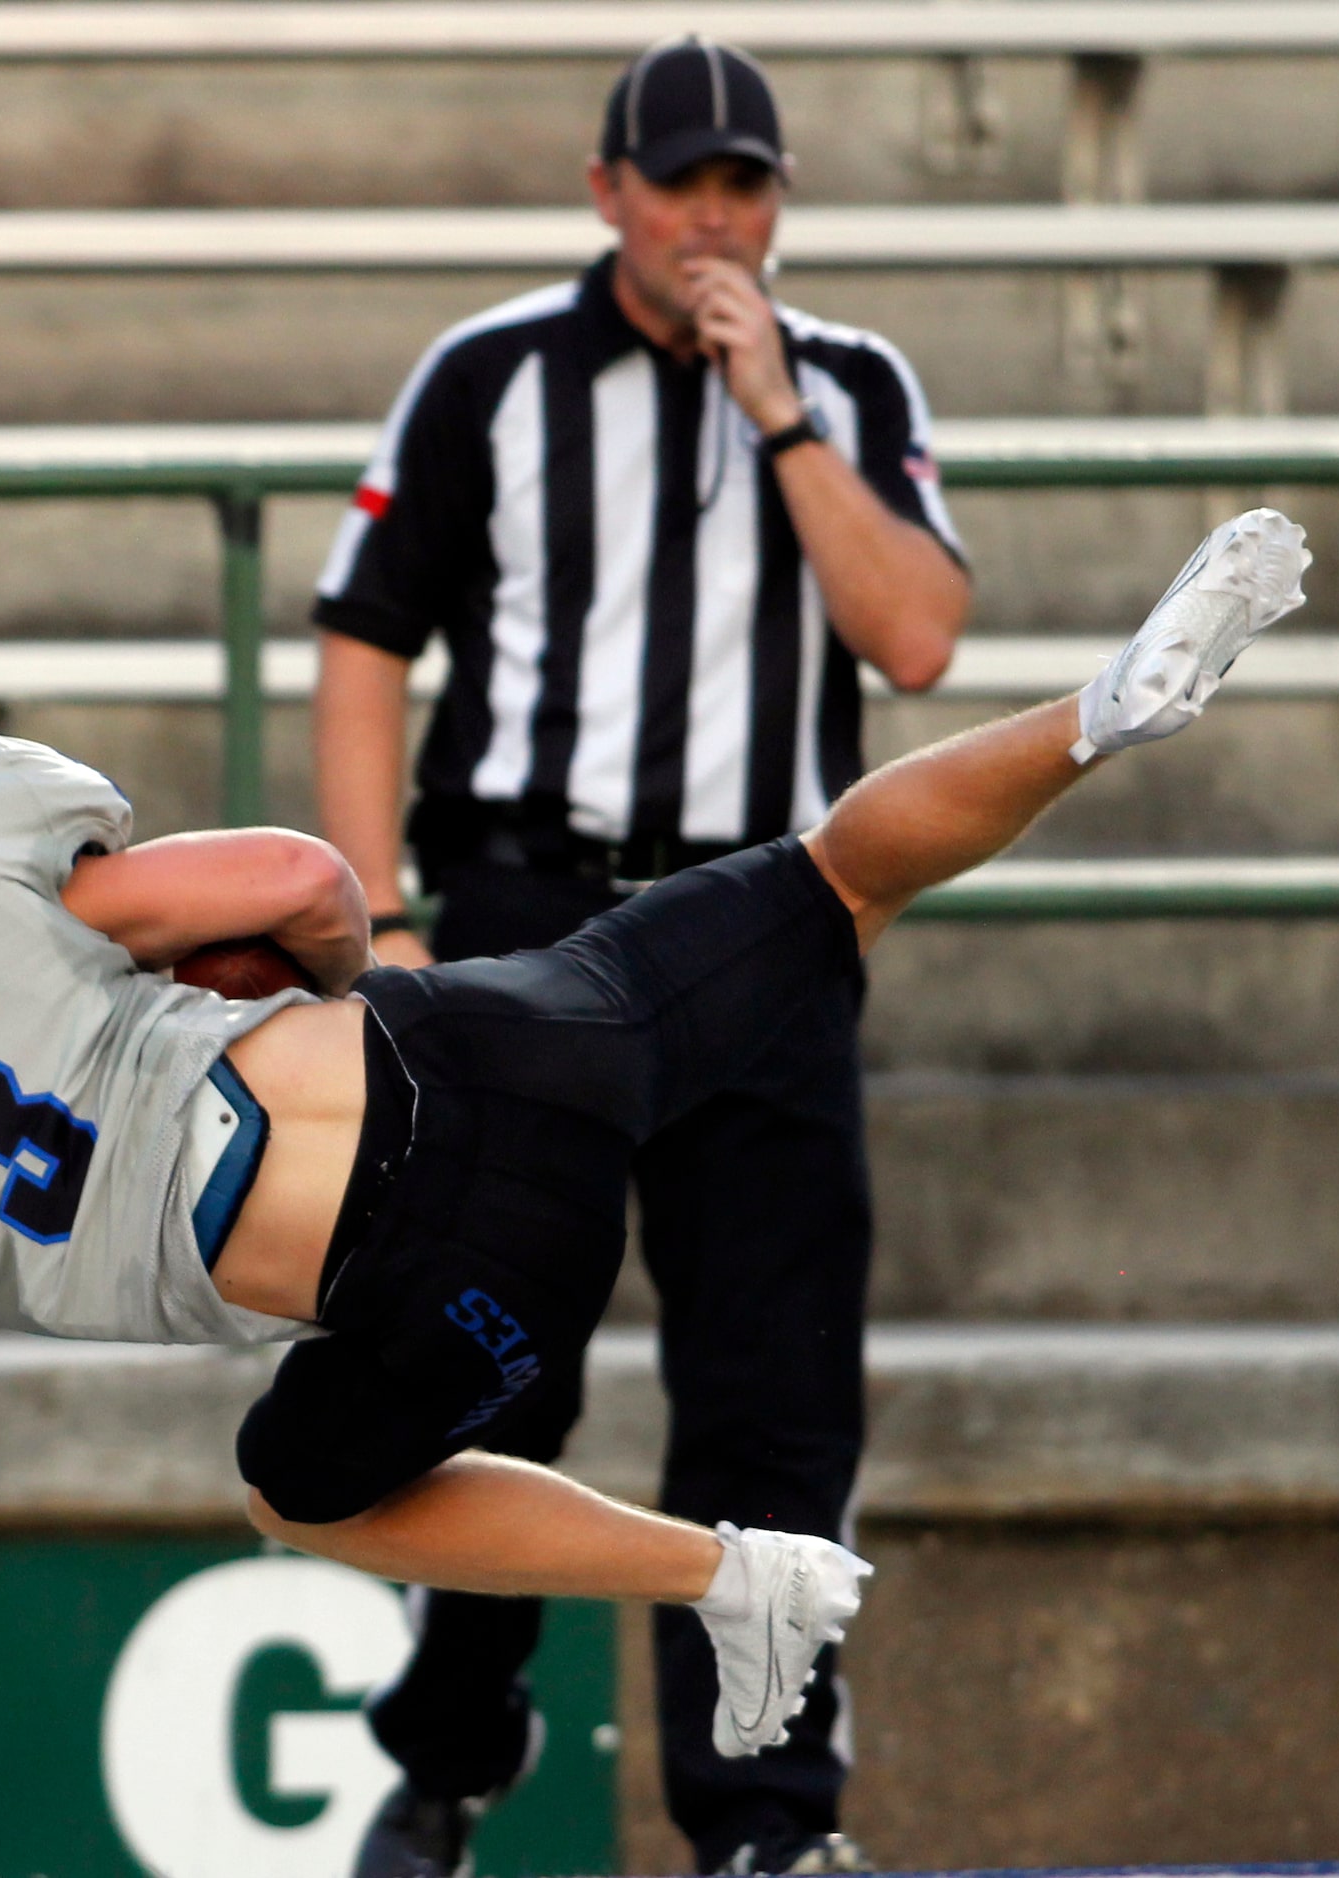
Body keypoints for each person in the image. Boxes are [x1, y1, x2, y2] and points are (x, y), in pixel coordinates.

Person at [0, 517, 1306, 1863]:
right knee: (826, 880)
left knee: (305, 1486)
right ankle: (1094, 716)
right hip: (495, 1039)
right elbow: (303, 872)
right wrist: (300, 990)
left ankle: (731, 1574)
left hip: (455, 1285)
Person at [310, 34, 972, 1876]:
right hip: (536, 913)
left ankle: (763, 1818)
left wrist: (776, 413)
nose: (708, 216)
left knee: (770, 1386)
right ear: (604, 191)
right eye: (674, 181)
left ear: (778, 200)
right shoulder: (490, 379)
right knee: (480, 1354)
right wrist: (377, 916)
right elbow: (364, 637)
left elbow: (912, 639)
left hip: (766, 919)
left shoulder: (842, 383)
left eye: (740, 183)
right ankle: (445, 1754)